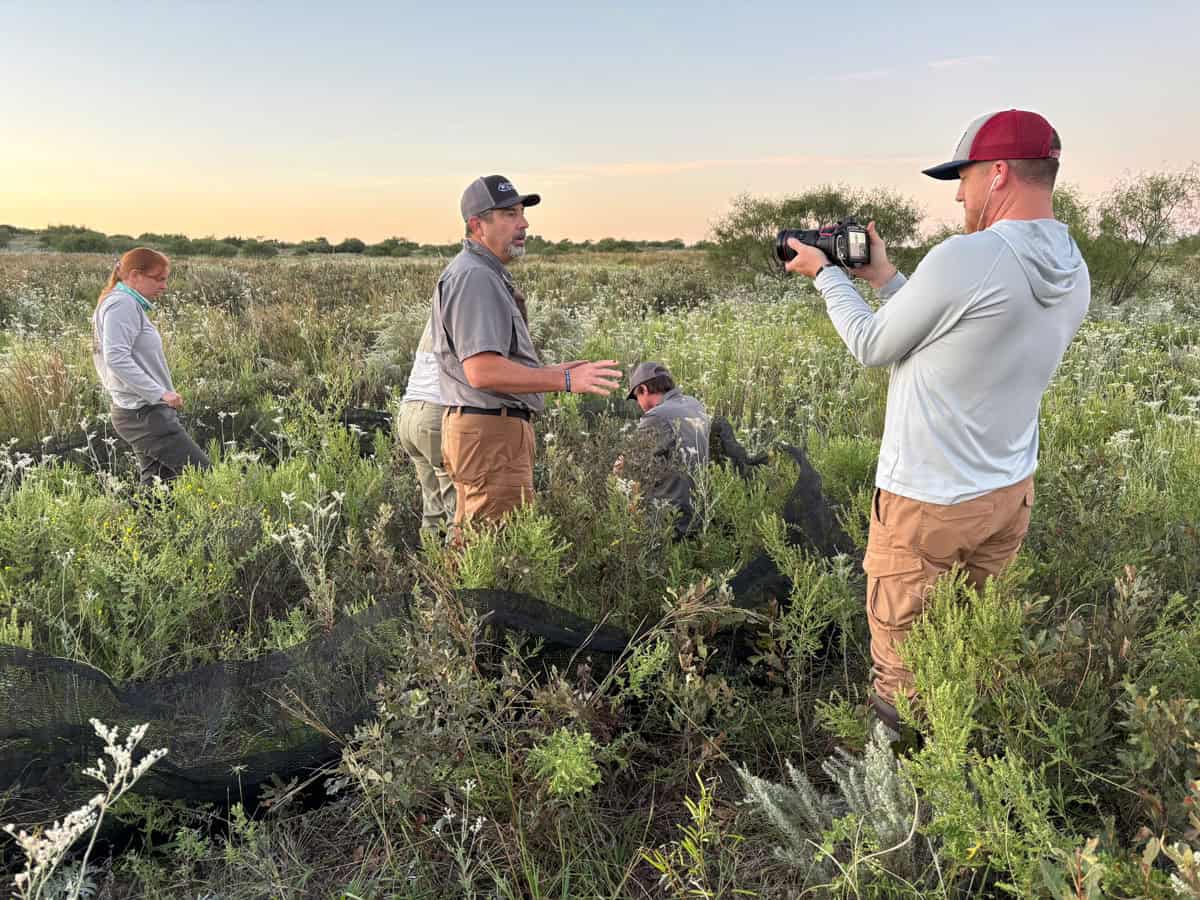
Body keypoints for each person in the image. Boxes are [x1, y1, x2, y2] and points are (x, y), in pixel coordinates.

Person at [782, 109, 1090, 730]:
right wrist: (890, 279)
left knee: (901, 671)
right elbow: (958, 337)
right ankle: (964, 769)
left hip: (928, 504)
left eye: (965, 176)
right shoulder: (1074, 268)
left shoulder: (967, 256)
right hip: (1005, 496)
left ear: (998, 173)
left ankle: (903, 801)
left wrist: (825, 276)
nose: (958, 192)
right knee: (968, 645)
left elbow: (873, 345)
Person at [431, 175, 622, 527]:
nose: (524, 223)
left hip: (489, 432)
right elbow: (482, 371)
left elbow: (491, 364)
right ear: (477, 225)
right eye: (509, 215)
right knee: (496, 552)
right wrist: (563, 379)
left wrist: (554, 373)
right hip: (491, 435)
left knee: (476, 550)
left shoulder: (482, 272)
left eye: (521, 212)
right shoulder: (475, 276)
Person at [92, 247, 211, 486]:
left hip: (139, 410)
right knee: (202, 475)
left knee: (159, 485)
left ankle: (144, 523)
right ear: (135, 275)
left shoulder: (122, 301)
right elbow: (116, 357)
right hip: (143, 413)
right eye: (159, 279)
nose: (164, 286)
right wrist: (159, 393)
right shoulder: (121, 304)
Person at [621, 361, 711, 538]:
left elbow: (631, 464)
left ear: (643, 390)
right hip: (701, 513)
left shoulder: (657, 416)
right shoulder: (695, 404)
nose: (638, 403)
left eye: (636, 397)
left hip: (671, 522)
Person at [397, 311, 457, 532]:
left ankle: (428, 562)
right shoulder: (464, 315)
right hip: (434, 414)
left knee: (433, 508)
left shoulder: (436, 317)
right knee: (456, 510)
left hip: (408, 413)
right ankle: (453, 565)